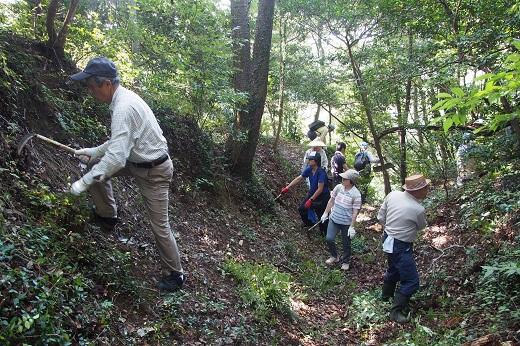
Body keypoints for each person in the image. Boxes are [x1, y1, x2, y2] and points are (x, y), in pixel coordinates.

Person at [68, 57, 185, 292]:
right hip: (136, 161)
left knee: (159, 226)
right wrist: (94, 152)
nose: (90, 92)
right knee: (96, 166)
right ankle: (107, 215)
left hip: (155, 172)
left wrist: (83, 183)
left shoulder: (123, 107)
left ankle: (176, 274)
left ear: (107, 84)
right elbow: (119, 142)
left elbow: (116, 158)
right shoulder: (121, 98)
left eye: (92, 86)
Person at [377, 174, 430, 323]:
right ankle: (396, 311)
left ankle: (385, 296)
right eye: (425, 188)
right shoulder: (417, 208)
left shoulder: (393, 195)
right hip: (401, 245)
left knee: (394, 269)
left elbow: (381, 217)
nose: (427, 190)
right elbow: (421, 226)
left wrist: (391, 227)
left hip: (388, 238)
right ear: (417, 190)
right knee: (412, 281)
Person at [320, 169, 361, 271]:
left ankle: (346, 261)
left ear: (351, 181)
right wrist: (325, 213)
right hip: (334, 219)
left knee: (346, 243)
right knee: (329, 238)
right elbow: (331, 200)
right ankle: (334, 256)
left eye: (345, 178)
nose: (342, 179)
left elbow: (355, 212)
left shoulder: (356, 194)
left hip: (346, 223)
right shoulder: (338, 187)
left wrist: (352, 226)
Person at [281, 151, 330, 235]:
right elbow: (299, 178)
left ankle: (325, 234)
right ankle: (309, 224)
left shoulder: (321, 172)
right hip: (312, 193)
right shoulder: (309, 169)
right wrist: (287, 187)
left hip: (322, 197)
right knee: (302, 209)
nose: (309, 161)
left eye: (310, 159)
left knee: (321, 215)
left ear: (315, 161)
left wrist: (311, 200)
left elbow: (320, 189)